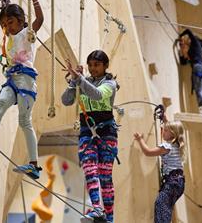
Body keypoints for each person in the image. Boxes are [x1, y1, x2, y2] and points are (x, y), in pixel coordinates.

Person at [0, 0, 44, 180]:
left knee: (24, 122)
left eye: (10, 22)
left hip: (26, 82)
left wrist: (34, 0)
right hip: (12, 80)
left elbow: (39, 20)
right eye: (4, 24)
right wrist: (6, 4)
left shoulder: (27, 34)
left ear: (20, 20)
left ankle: (34, 164)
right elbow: (7, 18)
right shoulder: (8, 38)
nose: (7, 26)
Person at [61, 50, 120, 223]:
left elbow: (97, 94)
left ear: (105, 66)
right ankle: (97, 209)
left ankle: (109, 219)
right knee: (88, 167)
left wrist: (80, 79)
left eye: (97, 65)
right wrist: (73, 81)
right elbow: (66, 100)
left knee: (104, 175)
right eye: (91, 65)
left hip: (106, 132)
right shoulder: (82, 81)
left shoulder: (111, 83)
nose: (93, 68)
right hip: (87, 130)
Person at [133, 117, 185, 223]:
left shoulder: (166, 146)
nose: (163, 132)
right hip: (179, 183)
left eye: (165, 130)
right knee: (165, 207)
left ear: (173, 134)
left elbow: (148, 152)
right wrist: (164, 117)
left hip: (172, 182)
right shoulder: (177, 145)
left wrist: (140, 140)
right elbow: (172, 127)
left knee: (161, 205)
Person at [179, 29, 202, 115]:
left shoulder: (195, 43)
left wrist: (181, 35)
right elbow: (183, 62)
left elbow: (188, 30)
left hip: (197, 67)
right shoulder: (196, 50)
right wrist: (182, 48)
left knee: (199, 90)